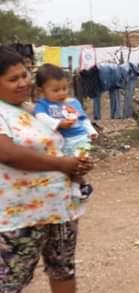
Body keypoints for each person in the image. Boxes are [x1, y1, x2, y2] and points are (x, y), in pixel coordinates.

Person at [0, 47, 101, 293]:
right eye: (12, 78)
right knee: (11, 277)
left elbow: (66, 140)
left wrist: (78, 163)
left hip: (60, 207)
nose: (22, 82)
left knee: (63, 266)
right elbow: (8, 154)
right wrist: (62, 164)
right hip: (19, 213)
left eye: (24, 75)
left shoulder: (36, 109)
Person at [33, 64, 98, 200]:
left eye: (64, 88)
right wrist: (58, 123)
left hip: (80, 138)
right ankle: (83, 186)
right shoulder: (43, 105)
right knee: (66, 166)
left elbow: (83, 118)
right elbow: (40, 116)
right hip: (62, 142)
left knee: (78, 163)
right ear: (41, 91)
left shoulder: (73, 102)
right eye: (56, 90)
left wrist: (91, 131)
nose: (62, 93)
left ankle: (76, 188)